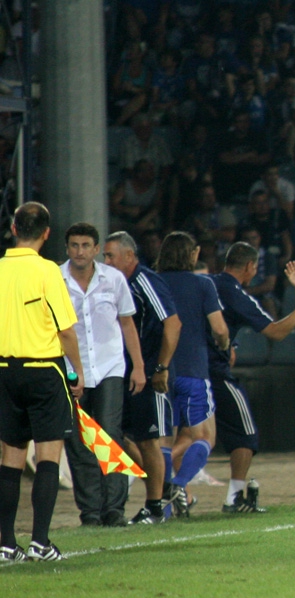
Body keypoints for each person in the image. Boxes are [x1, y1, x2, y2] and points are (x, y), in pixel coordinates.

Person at [210, 244, 295, 513]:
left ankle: (171, 494)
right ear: (250, 268)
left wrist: (231, 345)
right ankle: (235, 498)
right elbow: (276, 332)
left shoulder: (206, 282)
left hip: (181, 371)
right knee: (246, 435)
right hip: (213, 373)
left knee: (190, 437)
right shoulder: (237, 293)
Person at [0, 203, 84, 562]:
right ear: (47, 234)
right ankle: (40, 543)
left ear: (14, 228)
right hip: (44, 370)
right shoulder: (48, 271)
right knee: (49, 455)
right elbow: (66, 331)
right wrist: (76, 373)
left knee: (10, 458)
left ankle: (5, 544)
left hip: (4, 370)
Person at [60, 223, 145, 528]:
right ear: (67, 248)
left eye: (85, 245)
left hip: (110, 366)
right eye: (74, 245)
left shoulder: (114, 279)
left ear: (96, 250)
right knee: (80, 443)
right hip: (71, 370)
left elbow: (127, 324)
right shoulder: (56, 279)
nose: (79, 251)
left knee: (110, 434)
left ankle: (114, 509)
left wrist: (138, 366)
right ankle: (91, 512)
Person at [102, 232, 181, 525]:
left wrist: (160, 368)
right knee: (118, 435)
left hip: (146, 372)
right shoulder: (114, 284)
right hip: (119, 371)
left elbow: (173, 323)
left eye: (110, 256)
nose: (106, 262)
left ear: (129, 257)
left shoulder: (144, 281)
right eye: (105, 256)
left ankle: (155, 506)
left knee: (149, 440)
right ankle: (163, 488)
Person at [157, 232, 231, 517]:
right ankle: (179, 484)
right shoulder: (203, 284)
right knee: (205, 436)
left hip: (160, 372)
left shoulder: (154, 281)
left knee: (164, 440)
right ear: (191, 254)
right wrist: (223, 345)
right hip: (193, 370)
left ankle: (162, 507)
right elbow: (220, 329)